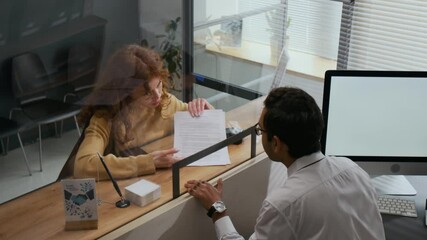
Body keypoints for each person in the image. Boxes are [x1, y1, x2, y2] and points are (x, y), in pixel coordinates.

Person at [185, 87, 385, 239]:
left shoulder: (284, 204)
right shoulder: (353, 169)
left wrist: (217, 209)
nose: (260, 135)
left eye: (260, 130)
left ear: (276, 143)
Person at [73, 44, 213, 180]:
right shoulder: (105, 117)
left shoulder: (165, 101)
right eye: (147, 93)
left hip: (166, 179)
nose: (158, 96)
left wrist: (206, 110)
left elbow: (205, 127)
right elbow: (83, 165)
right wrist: (148, 162)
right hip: (129, 188)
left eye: (158, 85)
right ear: (125, 92)